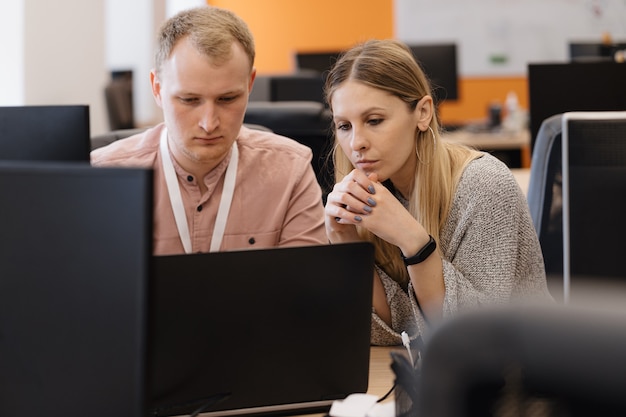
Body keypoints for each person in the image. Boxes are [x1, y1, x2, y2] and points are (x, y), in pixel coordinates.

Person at [323, 39, 552, 346]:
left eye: (374, 121)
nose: (356, 143)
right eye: (344, 126)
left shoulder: (484, 185)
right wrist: (343, 238)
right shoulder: (372, 190)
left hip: (525, 373)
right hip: (437, 372)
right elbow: (394, 327)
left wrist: (413, 242)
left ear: (423, 113)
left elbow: (476, 336)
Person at [92, 6, 327, 254]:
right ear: (157, 89)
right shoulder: (100, 177)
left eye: (227, 99)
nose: (209, 123)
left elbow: (302, 289)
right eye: (189, 100)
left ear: (249, 85)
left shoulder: (290, 171)